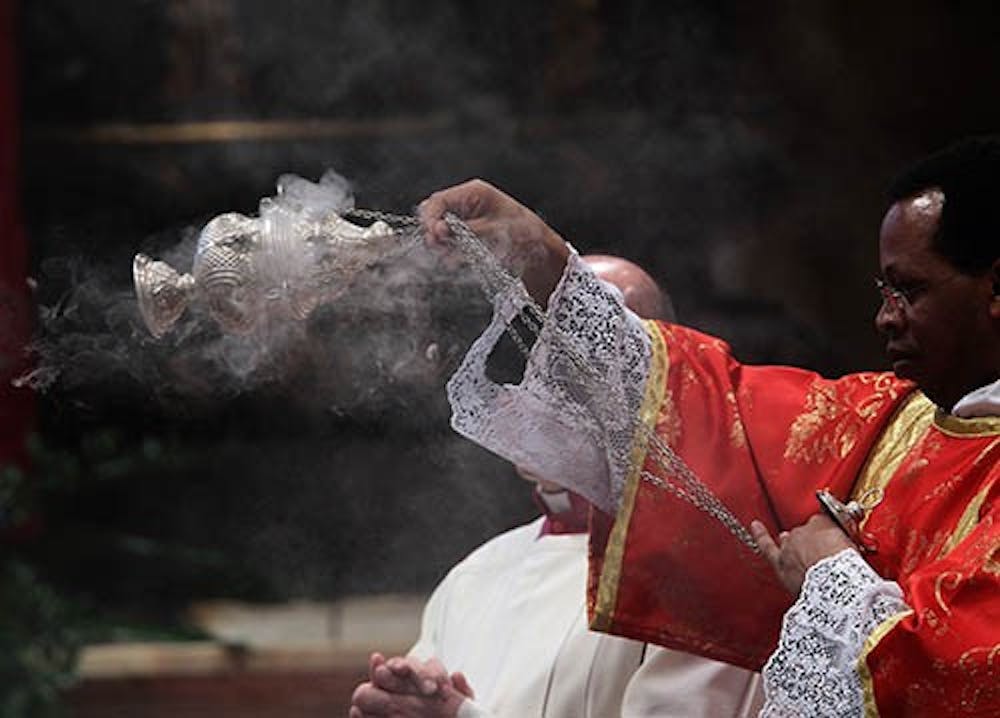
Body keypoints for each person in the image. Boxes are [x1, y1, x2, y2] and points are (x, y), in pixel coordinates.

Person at [411, 137, 1000, 717]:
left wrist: (831, 577)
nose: (884, 317)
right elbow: (698, 411)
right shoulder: (892, 424)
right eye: (884, 290)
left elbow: (963, 680)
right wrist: (538, 255)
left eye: (911, 290)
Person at [349, 256, 763, 718]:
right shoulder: (474, 575)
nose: (539, 386)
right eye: (530, 359)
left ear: (657, 381)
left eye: (582, 365)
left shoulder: (709, 576)